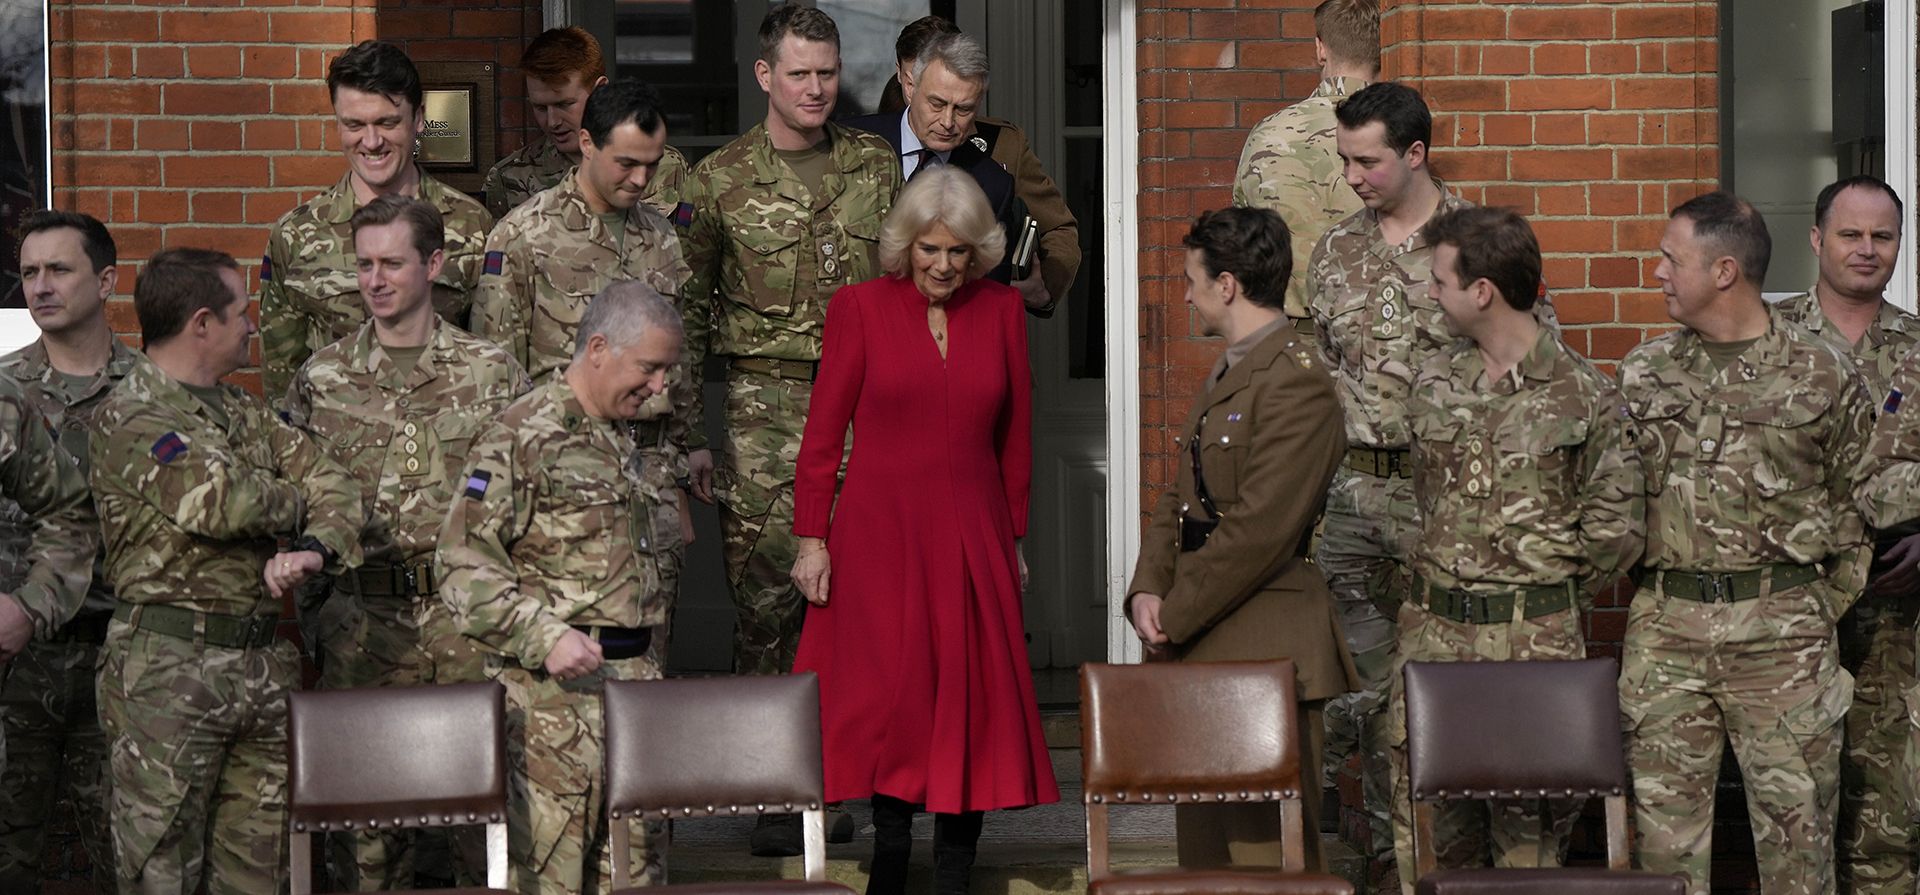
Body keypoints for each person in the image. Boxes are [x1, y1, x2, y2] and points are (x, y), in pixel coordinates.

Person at [1307, 82, 1558, 884]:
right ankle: (1384, 864)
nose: (1353, 177)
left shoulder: (1477, 244)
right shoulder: (1337, 249)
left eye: (1368, 161)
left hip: (1445, 496)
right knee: (1357, 699)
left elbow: (1532, 364)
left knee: (1451, 692)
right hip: (1350, 497)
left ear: (1415, 153)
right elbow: (1322, 373)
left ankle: (1477, 867)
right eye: (1344, 160)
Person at [789, 165, 1057, 895]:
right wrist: (811, 539)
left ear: (979, 253)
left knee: (968, 694)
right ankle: (889, 858)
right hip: (878, 531)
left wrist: (1015, 540)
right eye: (930, 249)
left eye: (959, 252)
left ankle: (955, 868)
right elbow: (822, 435)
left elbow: (1016, 439)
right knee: (890, 697)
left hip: (974, 529)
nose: (943, 264)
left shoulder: (1001, 312)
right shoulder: (859, 309)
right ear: (905, 245)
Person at [678, 7, 897, 855]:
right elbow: (689, 312)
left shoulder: (875, 164)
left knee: (870, 595)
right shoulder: (720, 178)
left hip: (869, 407)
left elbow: (908, 279)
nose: (815, 89)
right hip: (766, 406)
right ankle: (776, 789)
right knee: (769, 598)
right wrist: (692, 432)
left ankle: (866, 773)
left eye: (827, 72)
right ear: (765, 76)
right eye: (798, 73)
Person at [91, 247, 364, 894]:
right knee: (161, 870)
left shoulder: (243, 414)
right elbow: (219, 502)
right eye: (244, 312)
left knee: (259, 874)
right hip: (167, 674)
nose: (254, 326)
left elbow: (339, 484)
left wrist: (314, 548)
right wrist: (290, 498)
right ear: (203, 322)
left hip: (259, 670)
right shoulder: (131, 413)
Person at [1619, 192, 1870, 895]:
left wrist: (1808, 609)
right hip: (1666, 638)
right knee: (1664, 857)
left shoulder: (1823, 371)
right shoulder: (1643, 373)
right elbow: (1616, 505)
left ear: (1724, 270)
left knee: (1799, 850)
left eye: (1672, 258)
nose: (1658, 271)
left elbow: (1858, 511)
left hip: (1784, 643)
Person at [283, 196, 531, 889]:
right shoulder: (322, 379)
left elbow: (530, 495)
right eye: (364, 263)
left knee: (482, 837)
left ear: (435, 263)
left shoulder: (492, 373)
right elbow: (299, 501)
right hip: (363, 630)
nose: (375, 278)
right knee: (367, 844)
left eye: (392, 262)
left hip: (467, 626)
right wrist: (322, 617)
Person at [1390, 207, 1642, 888]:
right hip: (1434, 642)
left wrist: (1537, 593)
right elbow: (1425, 498)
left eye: (1439, 279)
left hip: (1534, 647)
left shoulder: (1584, 393)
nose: (1430, 292)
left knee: (1528, 854)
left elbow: (1615, 532)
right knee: (1429, 849)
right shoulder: (1432, 382)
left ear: (1482, 291)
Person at [1125, 205, 1354, 873]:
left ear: (1227, 283)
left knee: (1266, 863)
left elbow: (1260, 528)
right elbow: (1179, 497)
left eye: (1191, 278)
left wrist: (1176, 608)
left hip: (1267, 641)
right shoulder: (1232, 367)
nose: (1185, 291)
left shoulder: (1297, 378)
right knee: (1204, 861)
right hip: (1205, 642)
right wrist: (1147, 585)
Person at [438, 281, 683, 895]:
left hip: (635, 701)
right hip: (552, 709)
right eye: (650, 369)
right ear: (598, 348)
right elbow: (461, 563)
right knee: (547, 882)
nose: (660, 388)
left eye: (666, 372)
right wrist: (542, 635)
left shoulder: (626, 436)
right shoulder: (522, 434)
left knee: (636, 877)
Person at [473, 76, 694, 713]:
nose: (640, 181)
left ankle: (643, 812)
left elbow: (678, 371)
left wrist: (676, 476)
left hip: (647, 474)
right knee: (564, 674)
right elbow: (498, 375)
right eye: (625, 163)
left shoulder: (662, 239)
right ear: (587, 145)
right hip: (559, 480)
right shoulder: (523, 237)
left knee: (648, 664)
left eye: (651, 166)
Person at [1775, 175, 1918, 895]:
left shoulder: (1919, 348)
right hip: (1791, 623)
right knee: (1793, 827)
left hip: (1900, 625)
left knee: (1890, 821)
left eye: (1882, 236)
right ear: (1817, 239)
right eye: (1850, 234)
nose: (1867, 250)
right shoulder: (1769, 346)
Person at [0, 210, 132, 894]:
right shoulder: (3, 390)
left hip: (120, 659)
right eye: (28, 272)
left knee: (128, 857)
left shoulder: (153, 393)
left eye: (59, 269)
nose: (40, 286)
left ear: (106, 279)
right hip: (15, 663)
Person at [260, 39, 494, 403]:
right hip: (336, 447)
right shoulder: (296, 235)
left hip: (445, 440)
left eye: (387, 122)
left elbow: (491, 359)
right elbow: (282, 381)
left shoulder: (471, 225)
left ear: (418, 118)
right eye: (354, 124)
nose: (371, 142)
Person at [845, 30, 1080, 316]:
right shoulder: (852, 144)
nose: (947, 121)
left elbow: (984, 305)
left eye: (963, 109)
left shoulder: (992, 184)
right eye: (937, 104)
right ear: (910, 87)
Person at [1234, 0, 1377, 339]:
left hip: (1290, 343)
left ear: (1320, 48)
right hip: (1382, 343)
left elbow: (1240, 244)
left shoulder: (1268, 134)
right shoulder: (1401, 136)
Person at [483, 27, 690, 222]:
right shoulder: (509, 178)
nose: (553, 121)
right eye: (540, 108)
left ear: (600, 90)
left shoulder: (666, 167)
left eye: (565, 104)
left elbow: (687, 251)